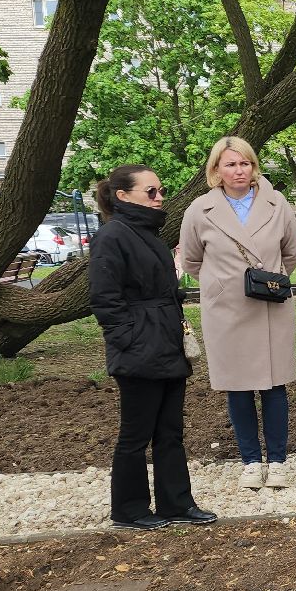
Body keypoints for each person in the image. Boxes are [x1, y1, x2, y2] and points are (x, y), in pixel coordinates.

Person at [89, 164, 214, 530]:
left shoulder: (148, 234)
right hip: (140, 345)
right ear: (123, 196)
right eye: (151, 192)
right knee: (135, 433)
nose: (159, 198)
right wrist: (128, 338)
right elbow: (104, 298)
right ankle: (129, 509)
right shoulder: (112, 237)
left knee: (170, 431)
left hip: (166, 341)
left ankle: (176, 503)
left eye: (160, 191)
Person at [179, 136, 296, 490]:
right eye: (230, 164)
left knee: (274, 384)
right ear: (216, 170)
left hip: (269, 306)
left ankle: (277, 460)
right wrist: (222, 285)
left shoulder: (276, 203)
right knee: (237, 387)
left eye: (244, 163)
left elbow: (292, 253)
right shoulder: (199, 210)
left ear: (254, 167)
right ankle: (250, 460)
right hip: (226, 310)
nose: (238, 170)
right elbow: (191, 259)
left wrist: (267, 282)